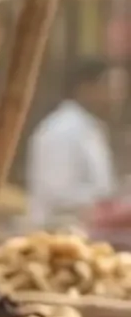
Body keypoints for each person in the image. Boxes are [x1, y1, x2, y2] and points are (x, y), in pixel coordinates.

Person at [25, 59, 125, 228]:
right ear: (85, 88)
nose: (117, 98)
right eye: (110, 90)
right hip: (56, 235)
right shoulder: (60, 130)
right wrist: (110, 199)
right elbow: (58, 195)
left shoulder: (91, 128)